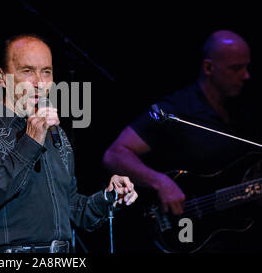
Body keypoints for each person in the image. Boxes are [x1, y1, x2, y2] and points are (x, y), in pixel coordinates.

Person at [0, 33, 138, 253]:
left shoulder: (56, 133)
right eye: (27, 71)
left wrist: (108, 198)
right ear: (2, 77)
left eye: (46, 72)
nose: (39, 83)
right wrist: (30, 142)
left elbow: (70, 206)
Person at [103, 30, 262, 252]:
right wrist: (161, 182)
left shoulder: (246, 110)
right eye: (236, 68)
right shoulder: (176, 110)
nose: (246, 76)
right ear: (209, 68)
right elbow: (116, 154)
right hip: (189, 239)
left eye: (247, 66)